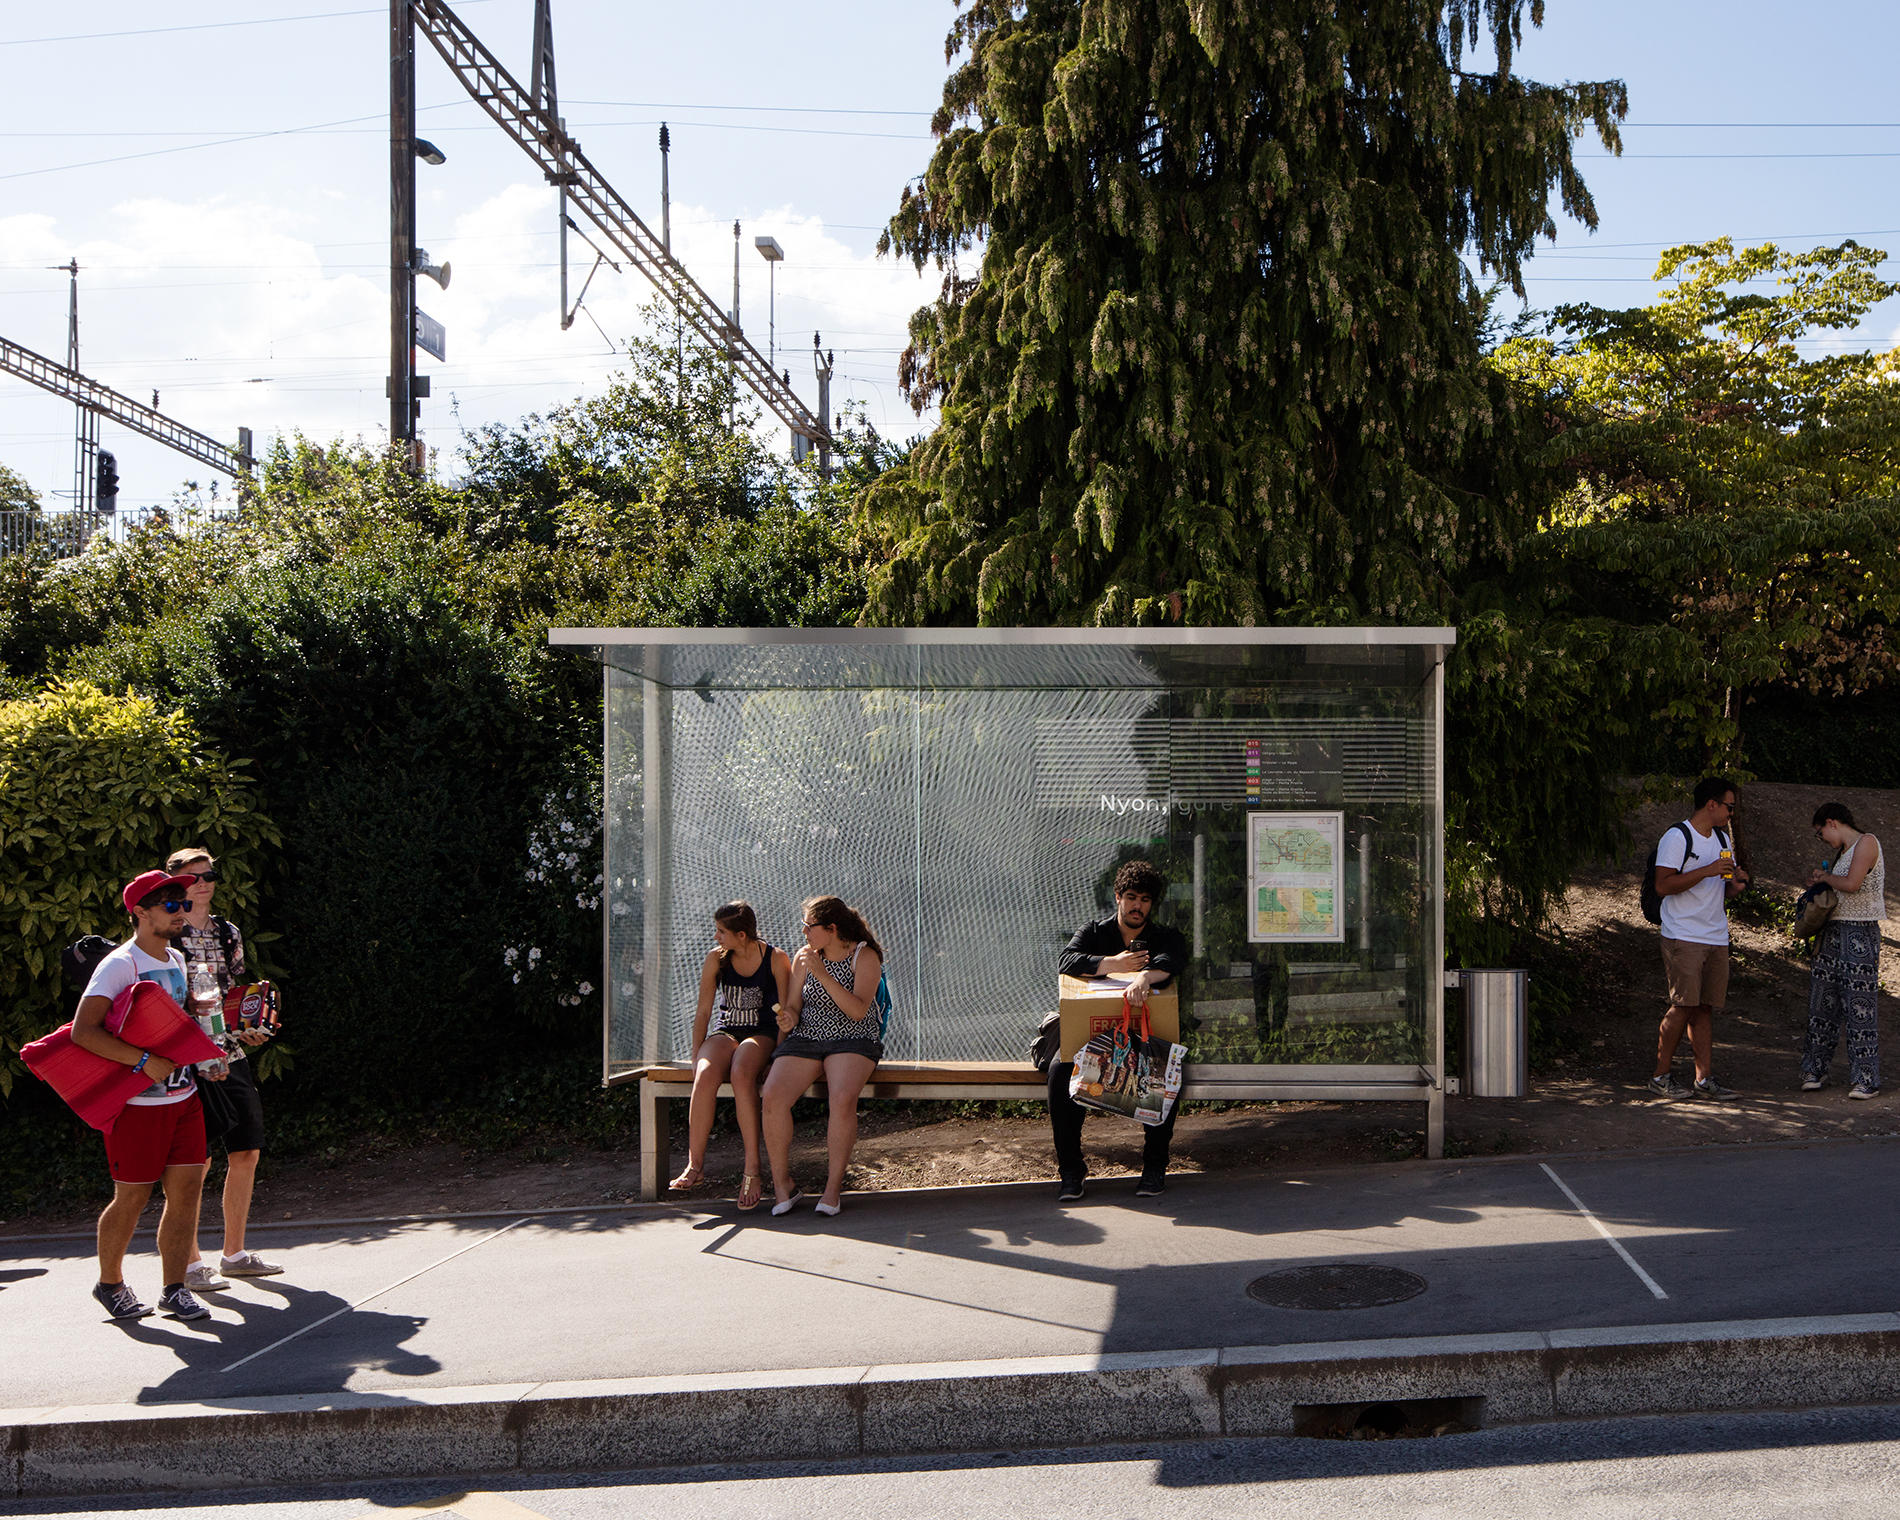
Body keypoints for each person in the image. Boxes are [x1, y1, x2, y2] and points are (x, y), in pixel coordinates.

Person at [73, 870, 217, 1322]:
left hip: (184, 1097)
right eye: (170, 905)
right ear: (139, 913)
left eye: (182, 902)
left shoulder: (175, 959)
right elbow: (83, 1032)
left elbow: (174, 1025)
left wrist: (209, 1050)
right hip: (137, 1106)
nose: (181, 911)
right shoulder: (120, 964)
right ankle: (109, 1284)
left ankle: (174, 1288)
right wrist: (140, 1062)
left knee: (187, 1194)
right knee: (132, 1197)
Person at [166, 847, 283, 1289]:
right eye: (193, 877)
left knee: (247, 1149)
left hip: (228, 1053)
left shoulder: (227, 932)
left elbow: (233, 992)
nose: (203, 883)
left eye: (209, 874)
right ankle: (192, 1265)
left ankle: (234, 1254)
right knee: (196, 1161)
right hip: (186, 1059)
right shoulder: (168, 930)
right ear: (175, 882)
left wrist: (248, 1026)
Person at [1049, 859, 1189, 1201]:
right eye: (1130, 897)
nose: (1137, 905)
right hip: (1091, 1038)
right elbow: (1066, 960)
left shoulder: (1163, 936)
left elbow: (1174, 960)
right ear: (1117, 898)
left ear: (1151, 904)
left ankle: (1154, 1168)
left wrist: (1143, 975)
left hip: (1142, 1039)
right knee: (1059, 1072)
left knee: (1165, 1072)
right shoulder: (1095, 933)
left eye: (1144, 899)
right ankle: (1071, 1171)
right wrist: (1112, 963)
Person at [760, 896, 885, 1219]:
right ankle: (783, 1184)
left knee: (842, 1098)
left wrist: (824, 974)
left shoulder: (864, 955)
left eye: (809, 926)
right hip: (808, 1037)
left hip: (853, 1037)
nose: (803, 932)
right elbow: (794, 1007)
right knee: (772, 1095)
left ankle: (832, 1189)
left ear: (831, 929)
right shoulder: (804, 958)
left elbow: (859, 1011)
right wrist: (787, 1018)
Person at [668, 901, 792, 1210]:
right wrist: (697, 1056)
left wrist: (777, 1056)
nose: (715, 937)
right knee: (706, 1072)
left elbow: (788, 1012)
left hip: (761, 1034)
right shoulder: (716, 959)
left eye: (721, 932)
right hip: (727, 1031)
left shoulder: (775, 959)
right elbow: (703, 1012)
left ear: (741, 935)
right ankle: (695, 1166)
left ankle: (752, 1168)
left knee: (740, 1071)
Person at [1650, 776, 1750, 1101]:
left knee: (1704, 1008)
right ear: (1712, 804)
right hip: (1683, 935)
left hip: (1716, 935)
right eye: (1729, 807)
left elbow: (1723, 888)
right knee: (1683, 1005)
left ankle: (1703, 1080)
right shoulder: (1677, 837)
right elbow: (1663, 886)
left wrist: (1736, 885)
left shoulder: (1722, 837)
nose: (1731, 814)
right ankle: (1659, 1077)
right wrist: (1707, 870)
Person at [1801, 803, 1886, 1098]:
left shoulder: (1867, 842)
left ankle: (1866, 1078)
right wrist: (1821, 883)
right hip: (1833, 933)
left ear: (1831, 822)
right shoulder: (1842, 853)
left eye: (1820, 832)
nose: (1822, 838)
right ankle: (1815, 1068)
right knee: (1822, 1002)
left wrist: (1826, 879)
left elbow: (1852, 884)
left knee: (1859, 1007)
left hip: (1860, 933)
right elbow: (1841, 886)